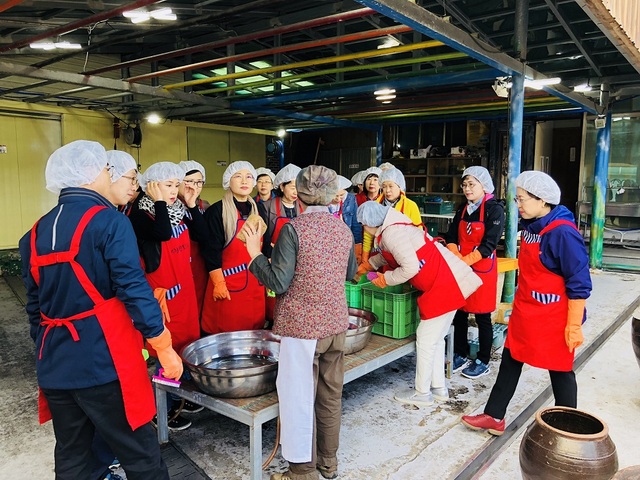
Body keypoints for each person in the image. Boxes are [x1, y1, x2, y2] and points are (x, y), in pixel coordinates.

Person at [19, 140, 182, 480]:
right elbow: (133, 288)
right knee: (140, 454)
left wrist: (49, 349)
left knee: (74, 456)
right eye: (107, 170)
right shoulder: (109, 222)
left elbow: (34, 310)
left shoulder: (32, 234)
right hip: (104, 363)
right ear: (93, 174)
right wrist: (163, 346)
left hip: (54, 364)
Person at [243, 165, 357, 480]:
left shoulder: (294, 230)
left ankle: (302, 471)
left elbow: (278, 282)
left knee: (298, 398)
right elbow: (349, 273)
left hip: (302, 331)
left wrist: (254, 255)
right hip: (336, 325)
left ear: (301, 196)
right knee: (330, 395)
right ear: (333, 195)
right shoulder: (342, 229)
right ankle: (328, 463)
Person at [461, 171, 591, 436]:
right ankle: (494, 416)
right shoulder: (533, 227)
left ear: (542, 201)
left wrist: (574, 325)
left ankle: (569, 428)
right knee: (511, 359)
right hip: (527, 311)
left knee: (560, 370)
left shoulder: (563, 233)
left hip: (554, 316)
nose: (518, 205)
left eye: (522, 200)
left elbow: (579, 282)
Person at [357, 201, 481, 407]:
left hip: (444, 283)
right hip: (449, 280)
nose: (364, 228)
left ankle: (422, 393)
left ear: (370, 222)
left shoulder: (391, 232)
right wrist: (368, 265)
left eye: (363, 224)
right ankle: (439, 388)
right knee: (436, 339)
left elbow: (410, 267)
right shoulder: (395, 226)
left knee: (424, 339)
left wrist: (385, 279)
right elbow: (392, 253)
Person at [129, 161, 206, 430]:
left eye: (176, 185)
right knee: (165, 351)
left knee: (187, 343)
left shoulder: (178, 210)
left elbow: (201, 234)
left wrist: (192, 204)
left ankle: (181, 395)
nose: (173, 191)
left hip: (183, 291)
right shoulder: (140, 214)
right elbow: (161, 233)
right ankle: (164, 409)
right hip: (162, 296)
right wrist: (159, 202)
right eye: (167, 185)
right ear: (151, 185)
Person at [444, 166, 505, 379]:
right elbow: (451, 236)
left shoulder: (494, 209)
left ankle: (483, 359)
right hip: (461, 266)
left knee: (482, 316)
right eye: (465, 185)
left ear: (483, 185)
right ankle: (460, 352)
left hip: (482, 268)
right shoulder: (462, 209)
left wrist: (467, 260)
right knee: (459, 312)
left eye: (472, 184)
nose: (467, 189)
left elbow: (489, 244)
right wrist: (455, 255)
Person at [200, 161, 266, 334]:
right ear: (228, 181)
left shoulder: (259, 210)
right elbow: (210, 249)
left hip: (255, 282)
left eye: (249, 177)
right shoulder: (217, 211)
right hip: (228, 287)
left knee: (254, 331)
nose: (244, 181)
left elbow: (264, 246)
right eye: (238, 176)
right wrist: (218, 282)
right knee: (228, 333)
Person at [359, 167, 422, 272]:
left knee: (398, 282)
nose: (387, 190)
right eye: (384, 186)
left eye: (391, 186)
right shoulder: (375, 206)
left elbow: (418, 234)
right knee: (375, 284)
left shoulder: (410, 206)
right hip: (378, 255)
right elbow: (368, 234)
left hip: (403, 256)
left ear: (399, 186)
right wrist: (365, 258)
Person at [178, 160, 209, 321]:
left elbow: (204, 236)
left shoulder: (205, 206)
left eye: (198, 182)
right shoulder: (169, 207)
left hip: (199, 264)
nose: (194, 186)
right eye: (189, 181)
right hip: (178, 266)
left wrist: (192, 206)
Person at [259, 163, 303, 258]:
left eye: (298, 188)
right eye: (292, 188)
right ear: (282, 187)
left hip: (299, 255)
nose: (296, 192)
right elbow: (263, 237)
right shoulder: (267, 207)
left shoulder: (303, 206)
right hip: (276, 255)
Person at [328, 175, 362, 263]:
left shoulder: (350, 199)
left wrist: (357, 244)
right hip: (329, 243)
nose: (338, 199)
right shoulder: (322, 202)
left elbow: (355, 223)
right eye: (335, 195)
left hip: (346, 240)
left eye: (341, 195)